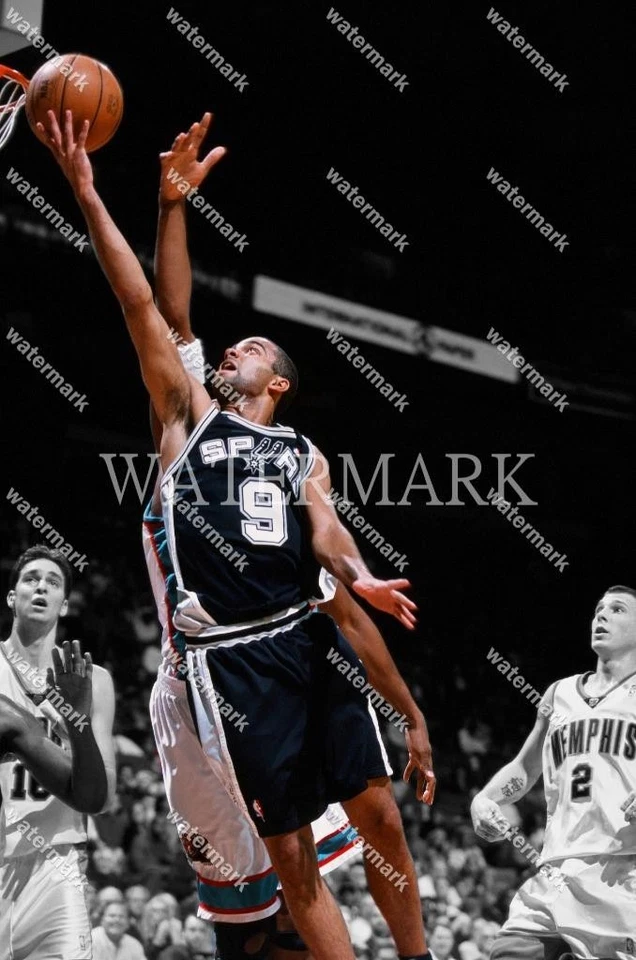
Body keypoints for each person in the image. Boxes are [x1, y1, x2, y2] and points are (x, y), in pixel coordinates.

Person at [39, 107, 434, 960]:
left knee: (380, 820)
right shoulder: (186, 418)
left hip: (301, 638)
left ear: (280, 384)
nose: (232, 346)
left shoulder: (297, 448)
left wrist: (358, 574)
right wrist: (124, 197)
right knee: (288, 869)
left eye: (254, 345)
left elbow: (326, 529)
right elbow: (149, 302)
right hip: (226, 661)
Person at [471, 584, 636, 960]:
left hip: (622, 870)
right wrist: (485, 799)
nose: (602, 616)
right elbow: (525, 769)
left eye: (618, 609)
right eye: (599, 609)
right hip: (555, 870)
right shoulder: (558, 694)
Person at [0, 544, 117, 960]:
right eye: (30, 579)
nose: (40, 587)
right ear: (12, 597)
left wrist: (75, 720)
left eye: (52, 582)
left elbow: (103, 800)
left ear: (64, 605)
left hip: (57, 863)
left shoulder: (93, 680)